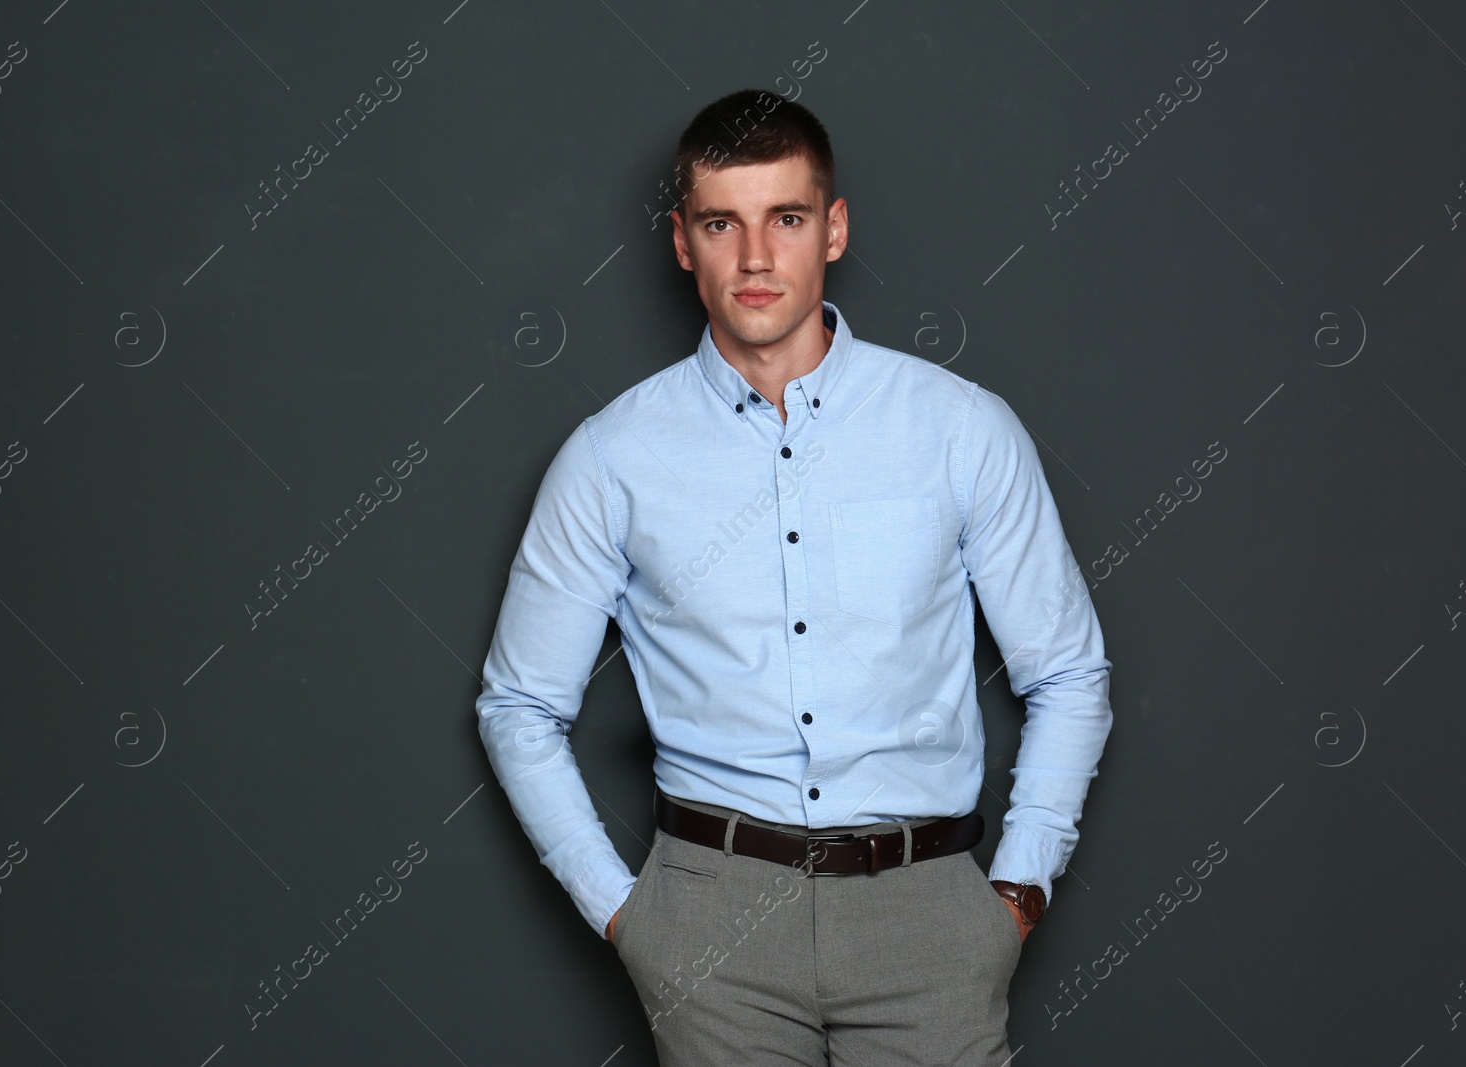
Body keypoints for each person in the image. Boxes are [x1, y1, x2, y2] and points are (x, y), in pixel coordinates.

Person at [475, 87, 1114, 1066]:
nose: (757, 258)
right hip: (709, 913)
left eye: (787, 217)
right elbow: (519, 703)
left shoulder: (959, 428)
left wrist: (1017, 886)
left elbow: (1067, 671)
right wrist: (625, 915)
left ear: (835, 228)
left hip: (928, 910)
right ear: (683, 242)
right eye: (721, 223)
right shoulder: (611, 457)